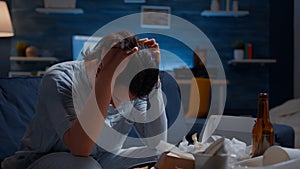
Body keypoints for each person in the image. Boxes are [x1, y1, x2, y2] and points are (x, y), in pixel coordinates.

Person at [1, 31, 167, 169]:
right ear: (101, 67)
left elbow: (157, 143)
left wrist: (153, 79)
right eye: (113, 99)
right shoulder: (60, 79)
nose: (117, 107)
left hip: (103, 159)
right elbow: (81, 148)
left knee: (163, 155)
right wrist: (106, 77)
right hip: (43, 159)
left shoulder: (132, 85)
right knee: (86, 165)